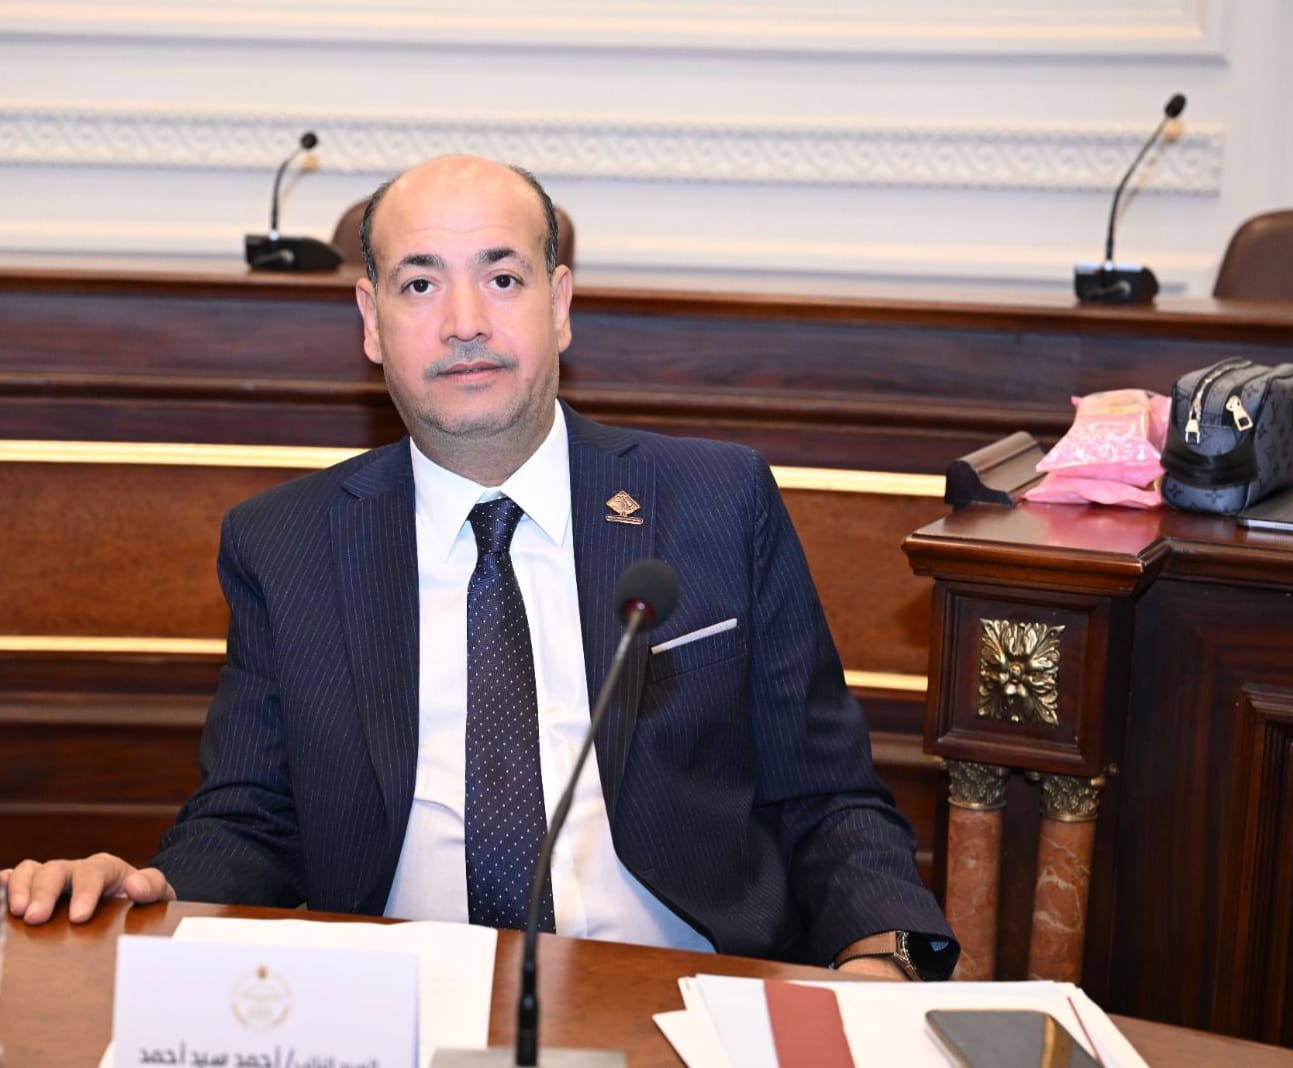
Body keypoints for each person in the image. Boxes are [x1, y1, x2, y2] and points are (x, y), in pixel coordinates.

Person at [2, 155, 957, 980]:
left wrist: (880, 955)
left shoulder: (716, 500)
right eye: (420, 286)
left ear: (560, 304)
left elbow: (827, 797)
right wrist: (148, 888)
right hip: (399, 1005)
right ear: (371, 321)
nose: (464, 322)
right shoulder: (283, 542)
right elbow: (250, 819)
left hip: (679, 993)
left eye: (501, 279)